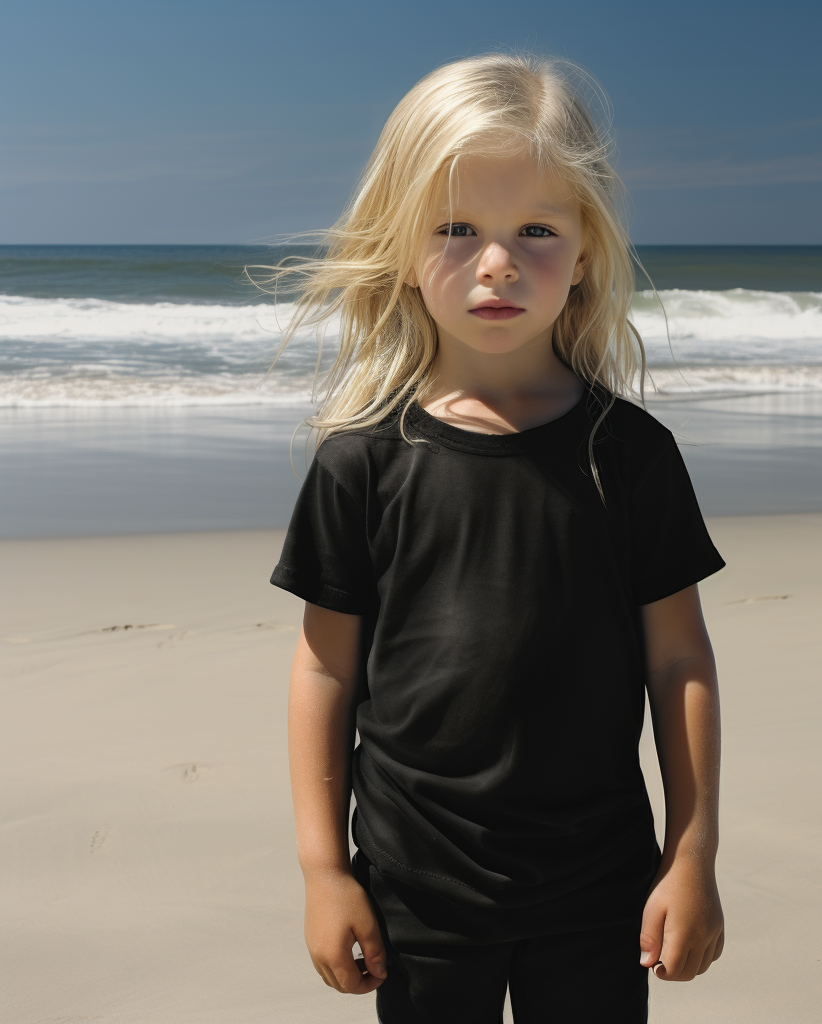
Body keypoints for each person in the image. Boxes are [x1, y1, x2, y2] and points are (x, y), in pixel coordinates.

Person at [265, 52, 726, 1024]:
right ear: (399, 246)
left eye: (536, 231)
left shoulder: (628, 455)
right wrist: (322, 868)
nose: (497, 262)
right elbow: (323, 673)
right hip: (414, 890)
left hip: (599, 889)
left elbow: (679, 659)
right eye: (457, 228)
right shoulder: (364, 460)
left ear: (588, 249)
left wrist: (690, 855)